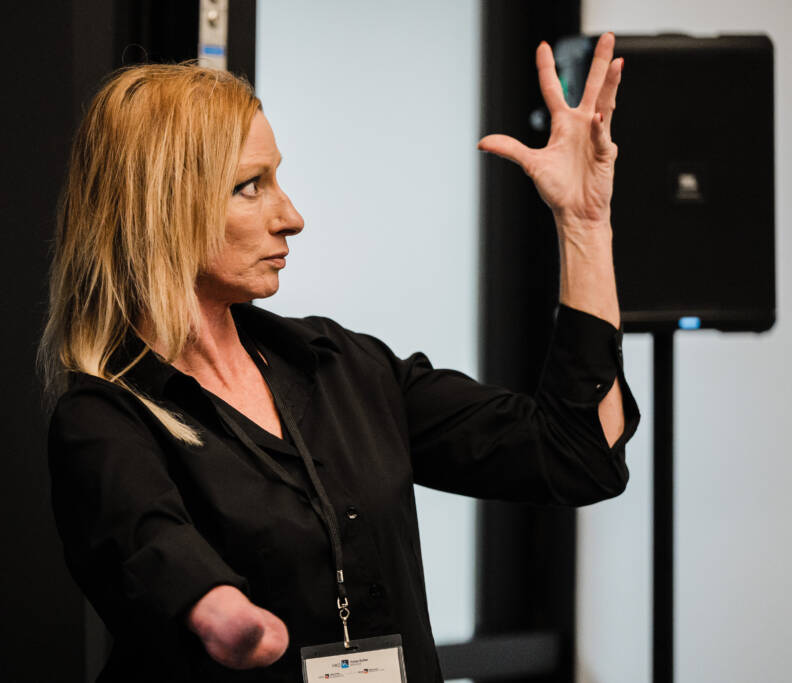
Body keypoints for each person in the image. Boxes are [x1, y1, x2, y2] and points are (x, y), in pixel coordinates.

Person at [38, 32, 639, 682]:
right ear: (160, 207)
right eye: (251, 186)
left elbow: (578, 456)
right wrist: (224, 615)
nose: (291, 216)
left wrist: (584, 227)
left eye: (277, 179)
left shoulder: (341, 366)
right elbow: (148, 544)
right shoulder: (106, 418)